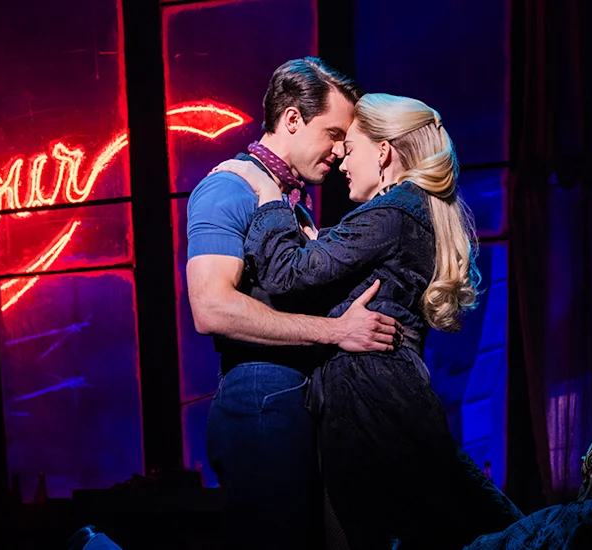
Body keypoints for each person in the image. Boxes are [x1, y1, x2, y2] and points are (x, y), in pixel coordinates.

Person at [215, 93, 523, 549]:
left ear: (383, 152)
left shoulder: (393, 212)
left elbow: (287, 274)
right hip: (384, 390)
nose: (340, 160)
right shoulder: (411, 211)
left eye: (351, 146)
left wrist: (268, 196)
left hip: (371, 396)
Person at [186, 58, 402, 550]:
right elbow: (211, 308)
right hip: (261, 393)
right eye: (332, 133)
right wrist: (337, 331)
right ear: (291, 120)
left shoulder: (292, 202)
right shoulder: (229, 188)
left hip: (300, 396)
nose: (340, 149)